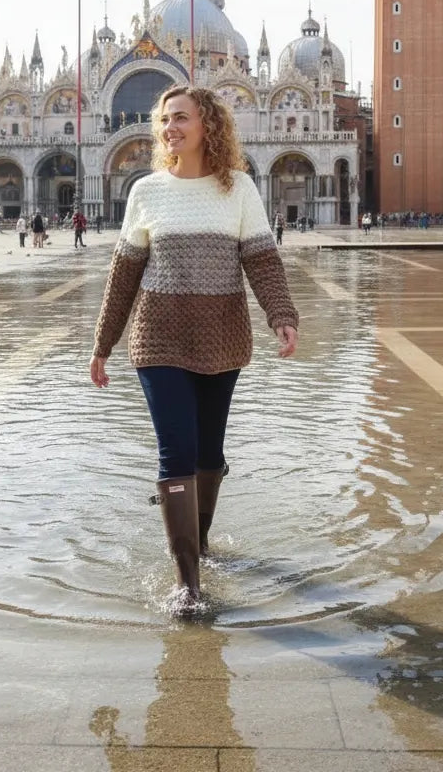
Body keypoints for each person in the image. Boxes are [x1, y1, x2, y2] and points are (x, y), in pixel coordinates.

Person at [90, 85, 298, 614]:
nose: (168, 129)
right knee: (175, 452)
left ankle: (200, 544)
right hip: (158, 336)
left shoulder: (241, 190)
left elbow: (263, 262)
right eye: (164, 120)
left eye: (179, 118)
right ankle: (188, 581)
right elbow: (123, 277)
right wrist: (103, 345)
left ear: (208, 124)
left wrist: (282, 317)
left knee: (210, 453)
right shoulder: (145, 192)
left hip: (221, 335)